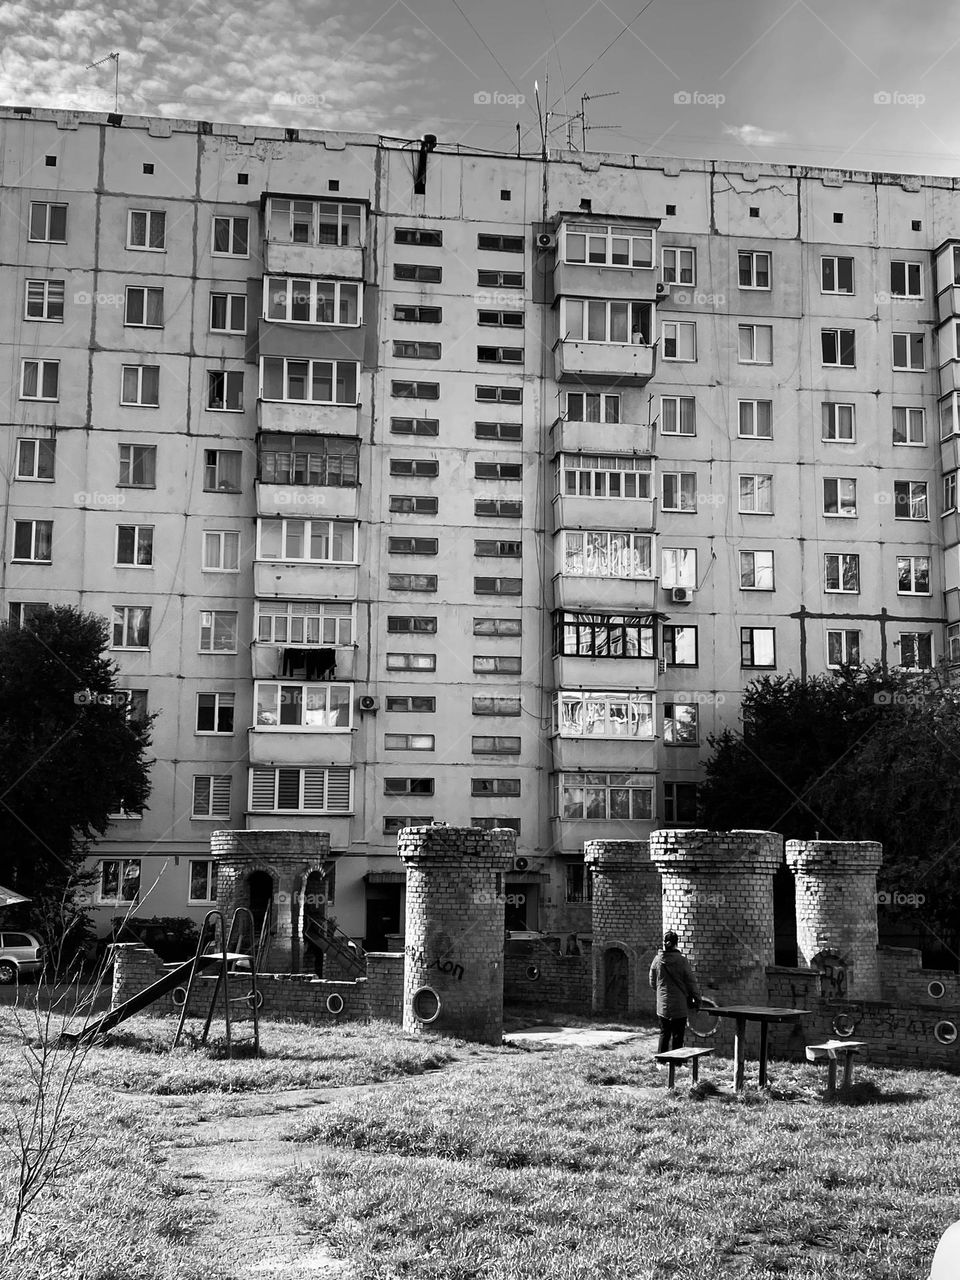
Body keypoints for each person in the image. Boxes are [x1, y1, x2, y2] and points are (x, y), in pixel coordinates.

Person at [649, 930, 702, 1055]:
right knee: (678, 1034)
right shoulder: (682, 961)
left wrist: (661, 992)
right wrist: (697, 999)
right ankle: (677, 1063)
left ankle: (661, 1061)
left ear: (664, 943)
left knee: (664, 1033)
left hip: (663, 1005)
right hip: (679, 1004)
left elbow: (652, 982)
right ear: (676, 944)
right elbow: (691, 982)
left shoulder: (657, 960)